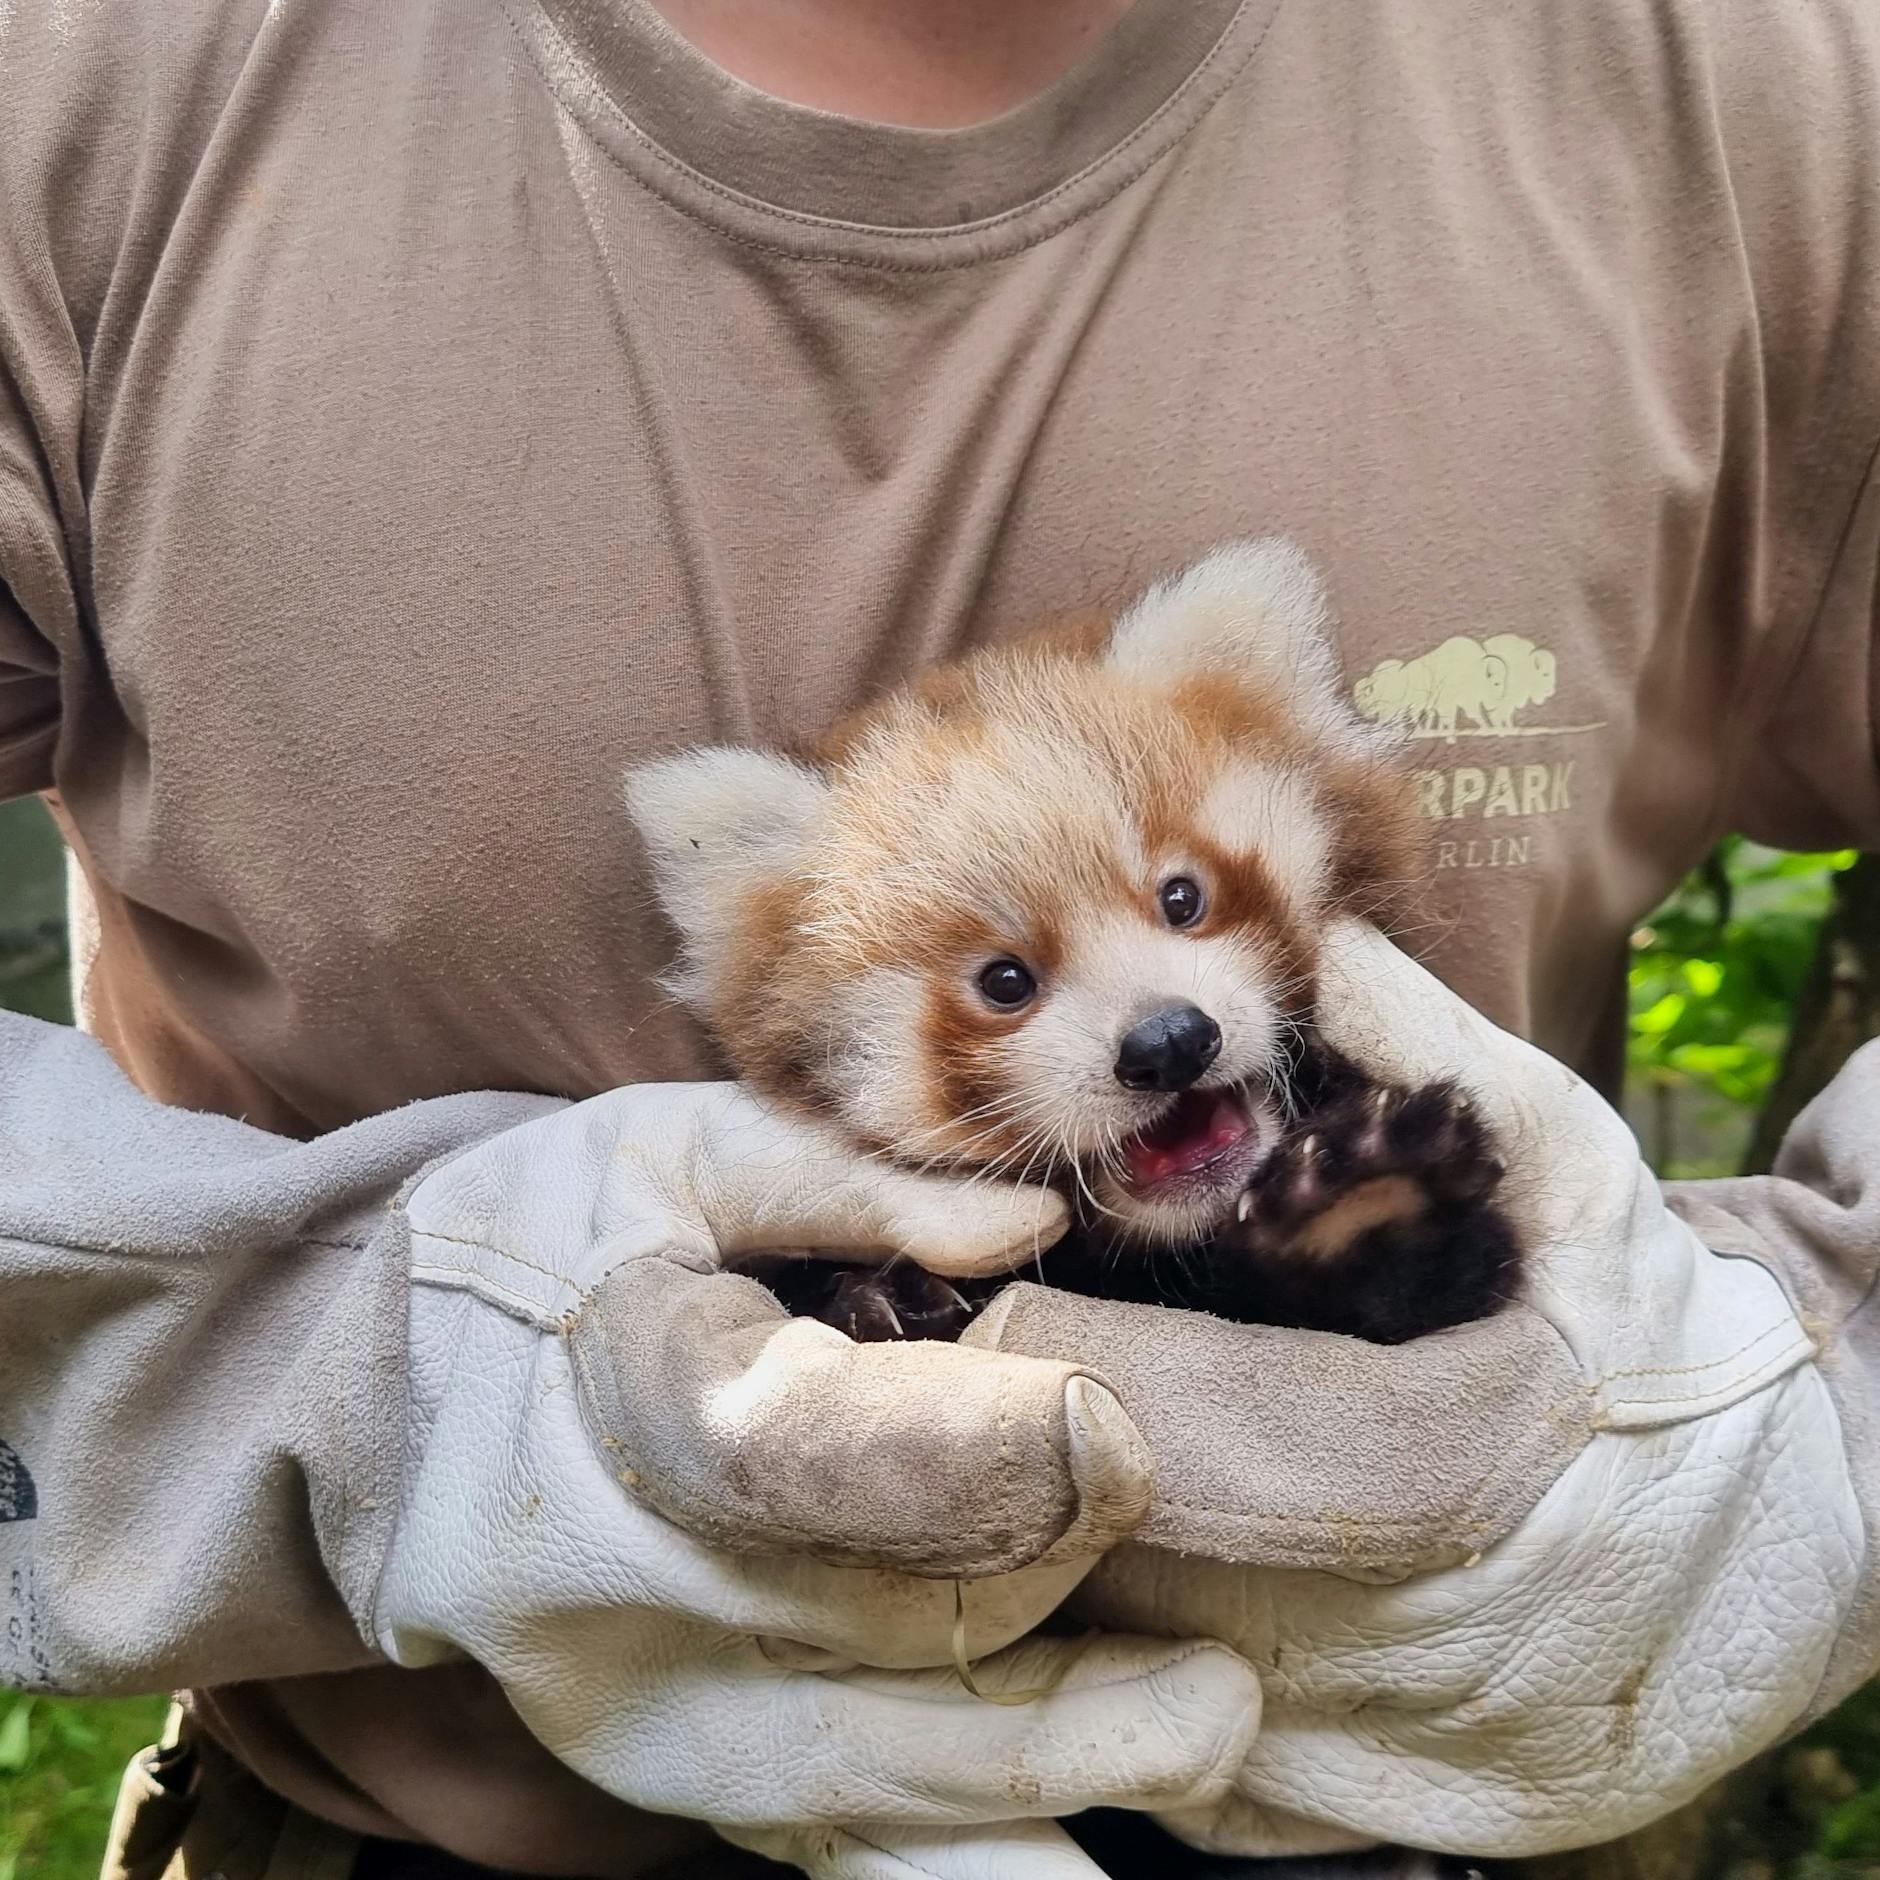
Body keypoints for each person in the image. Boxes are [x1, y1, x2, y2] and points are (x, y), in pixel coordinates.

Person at [1, 0, 1876, 1876]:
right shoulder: (85, 87)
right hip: (454, 1824)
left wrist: (1831, 1412)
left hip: (1446, 1806)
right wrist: (340, 1402)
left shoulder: (1762, 81)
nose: (1153, 1025)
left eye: (1176, 907)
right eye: (1002, 985)